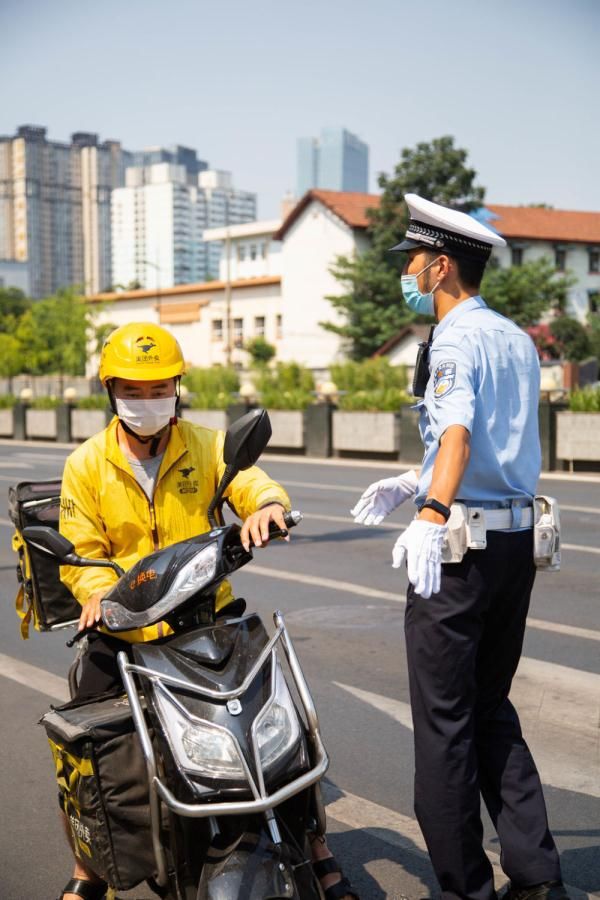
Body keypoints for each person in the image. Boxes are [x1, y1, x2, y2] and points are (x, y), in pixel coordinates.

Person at [56, 322, 357, 900]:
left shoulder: (208, 444)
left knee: (283, 713)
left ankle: (314, 840)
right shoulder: (86, 465)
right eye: (133, 390)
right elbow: (82, 552)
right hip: (127, 631)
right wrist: (96, 592)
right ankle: (92, 861)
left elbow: (254, 484)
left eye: (158, 388)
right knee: (86, 729)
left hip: (206, 620)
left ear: (176, 388)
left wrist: (267, 508)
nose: (147, 401)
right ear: (111, 392)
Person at [351, 196, 567, 900]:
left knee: (444, 724)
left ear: (440, 265)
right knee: (489, 707)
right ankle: (536, 877)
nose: (407, 273)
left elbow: (458, 435)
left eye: (413, 260)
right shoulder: (513, 338)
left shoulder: (451, 339)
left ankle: (464, 889)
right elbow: (496, 444)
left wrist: (431, 508)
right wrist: (414, 481)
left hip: (460, 551)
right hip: (513, 543)